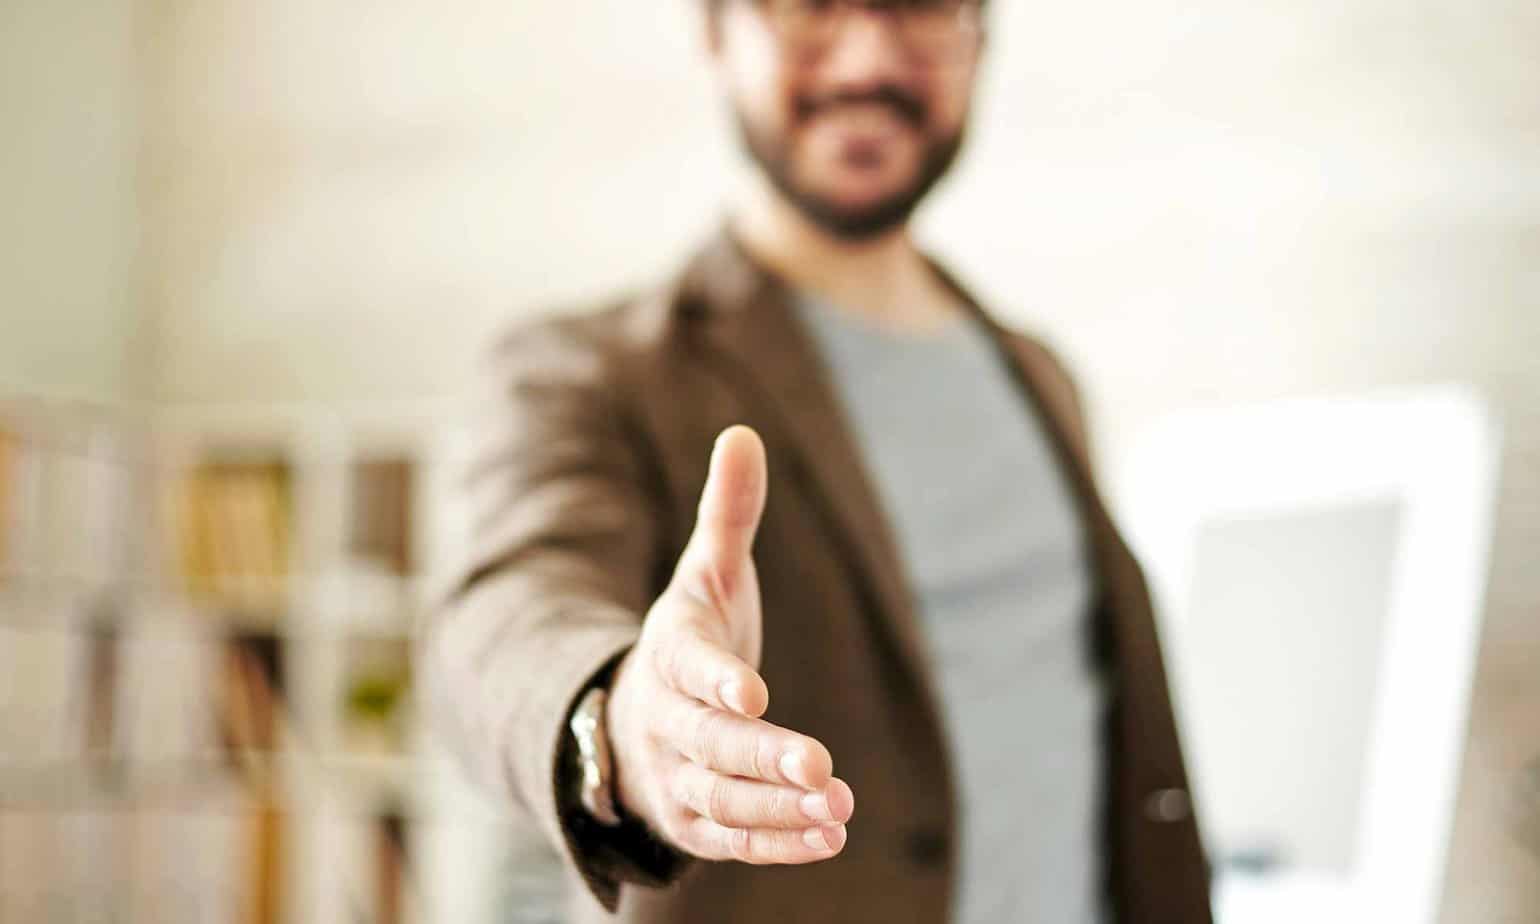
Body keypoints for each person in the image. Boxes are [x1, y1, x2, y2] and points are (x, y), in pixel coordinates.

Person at [424, 1, 1211, 921]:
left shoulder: (1040, 379)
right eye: (810, 5)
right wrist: (621, 724)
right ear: (717, 34)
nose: (868, 59)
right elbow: (503, 616)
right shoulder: (588, 373)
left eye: (919, 6)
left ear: (979, 36)